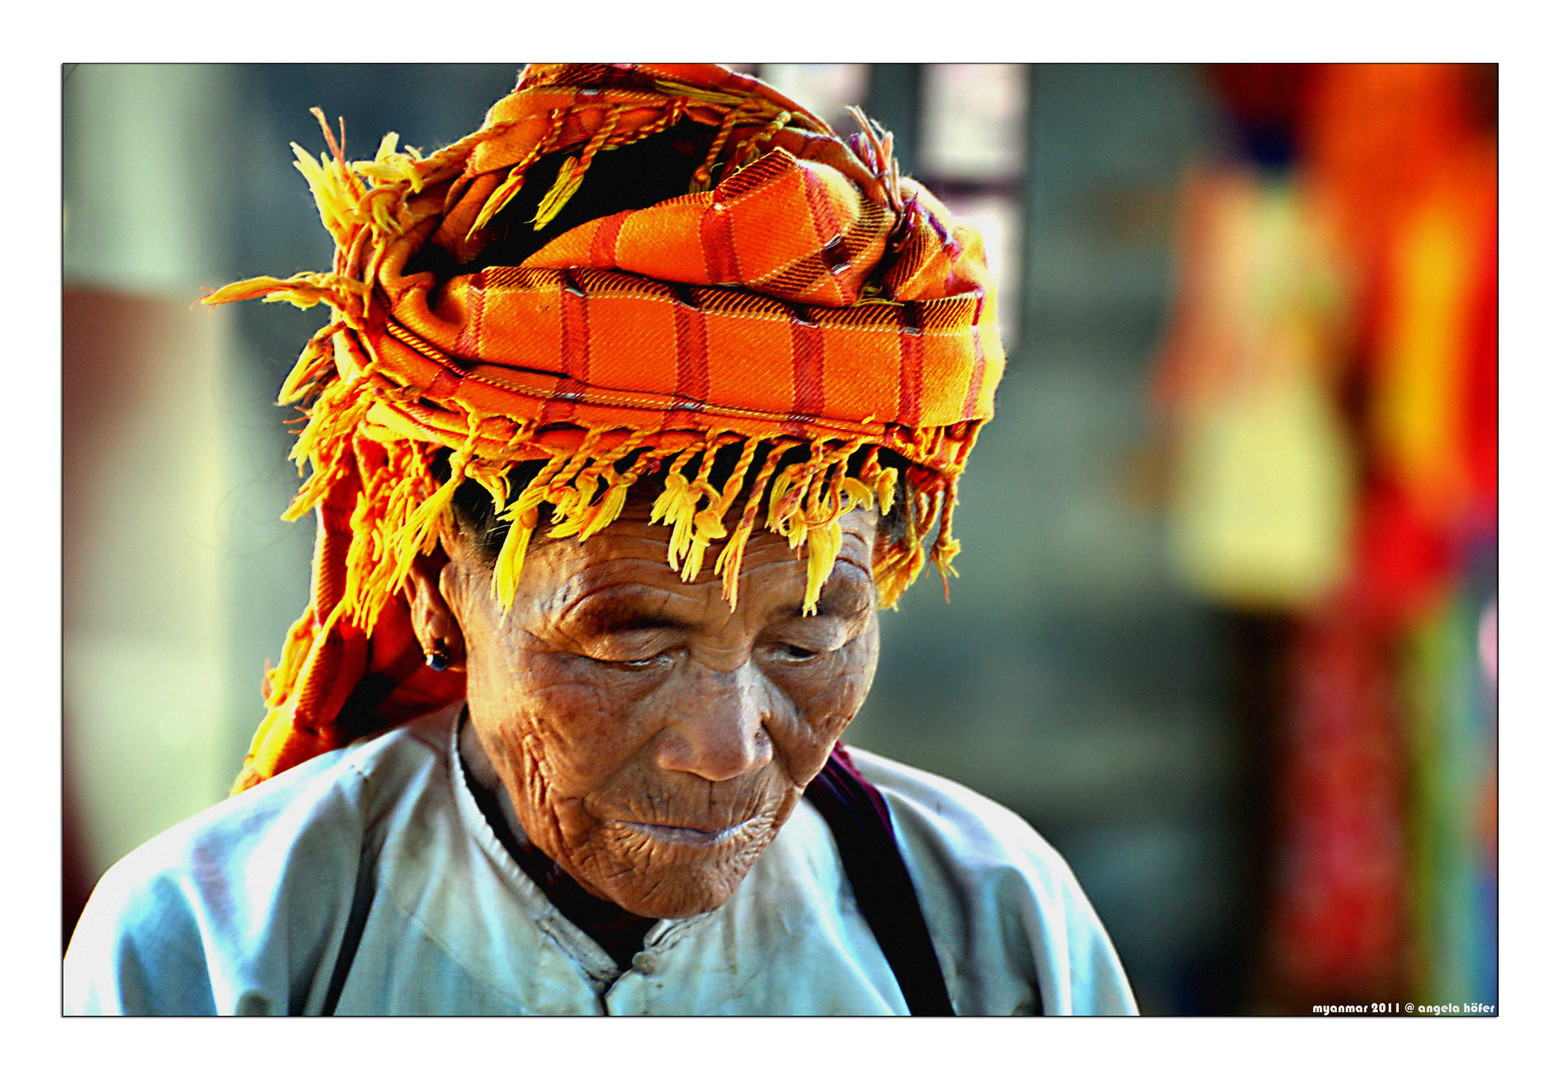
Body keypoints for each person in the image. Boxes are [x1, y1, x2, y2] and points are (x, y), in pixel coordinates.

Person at [63, 63, 1137, 1016]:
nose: (725, 748)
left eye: (803, 644)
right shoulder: (213, 949)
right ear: (438, 585)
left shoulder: (994, 933)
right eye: (631, 643)